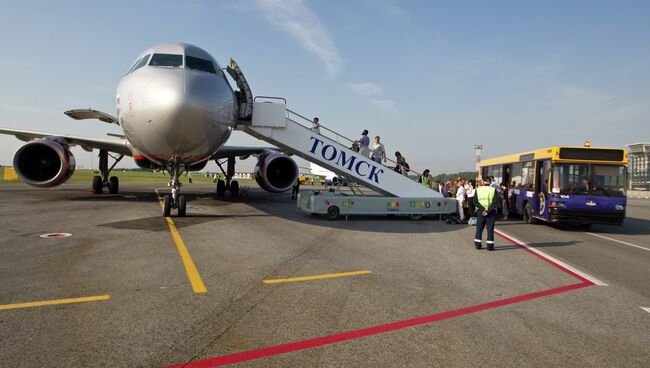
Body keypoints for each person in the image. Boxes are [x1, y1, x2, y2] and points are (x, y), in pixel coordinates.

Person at [473, 177, 499, 251]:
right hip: (491, 212)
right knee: (490, 229)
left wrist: (482, 209)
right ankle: (490, 246)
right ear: (490, 182)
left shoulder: (478, 190)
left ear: (483, 182)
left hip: (480, 212)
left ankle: (478, 245)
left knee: (479, 228)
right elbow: (495, 202)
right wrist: (488, 210)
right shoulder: (493, 190)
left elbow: (475, 201)